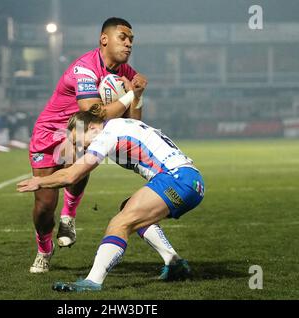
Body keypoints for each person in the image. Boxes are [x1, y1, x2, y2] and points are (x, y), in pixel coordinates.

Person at [17, 109, 205, 291]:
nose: (80, 148)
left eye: (78, 141)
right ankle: (174, 262)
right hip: (190, 180)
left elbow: (71, 176)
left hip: (177, 179)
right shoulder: (120, 124)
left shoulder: (106, 135)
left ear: (91, 128)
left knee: (120, 223)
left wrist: (40, 181)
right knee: (128, 209)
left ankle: (93, 281)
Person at [28, 17, 148, 273]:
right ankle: (43, 249)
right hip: (49, 133)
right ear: (104, 39)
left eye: (131, 40)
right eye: (123, 38)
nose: (128, 44)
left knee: (82, 156)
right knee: (44, 205)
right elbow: (92, 110)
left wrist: (138, 96)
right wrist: (129, 95)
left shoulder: (126, 73)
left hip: (79, 133)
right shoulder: (85, 68)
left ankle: (69, 215)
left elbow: (134, 122)